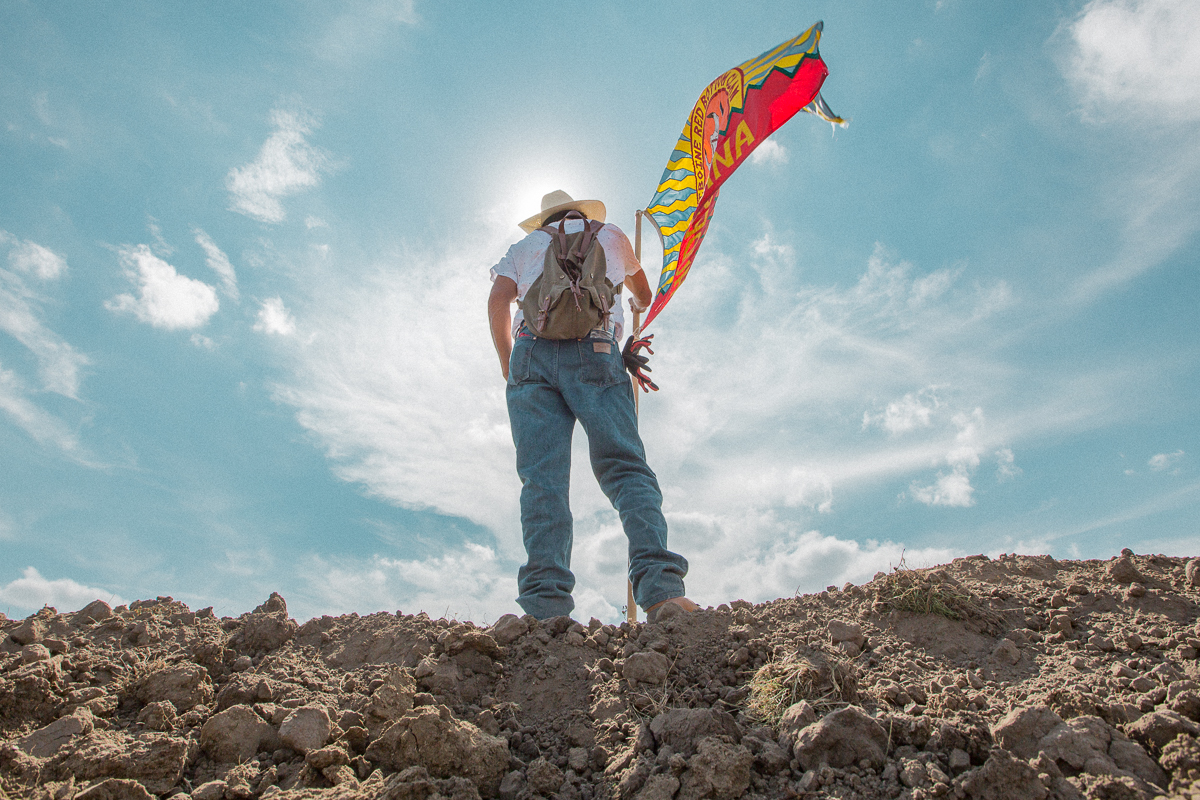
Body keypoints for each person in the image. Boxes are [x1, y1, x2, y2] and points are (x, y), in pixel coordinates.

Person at [488, 190, 699, 622]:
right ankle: (661, 593)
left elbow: (497, 301)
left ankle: (545, 609)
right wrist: (635, 305)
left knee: (542, 481)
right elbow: (643, 297)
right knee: (625, 468)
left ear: (544, 219)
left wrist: (510, 366)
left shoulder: (524, 248)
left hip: (530, 355)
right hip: (598, 354)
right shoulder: (612, 237)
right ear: (582, 214)